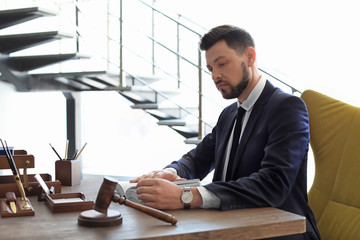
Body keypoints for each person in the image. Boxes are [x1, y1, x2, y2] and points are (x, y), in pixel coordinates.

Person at [131, 25, 321, 240]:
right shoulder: (229, 114)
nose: (215, 76)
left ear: (249, 57)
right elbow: (198, 159)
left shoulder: (287, 107)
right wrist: (172, 173)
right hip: (232, 227)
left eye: (222, 64)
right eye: (211, 69)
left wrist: (187, 196)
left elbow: (274, 183)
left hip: (281, 232)